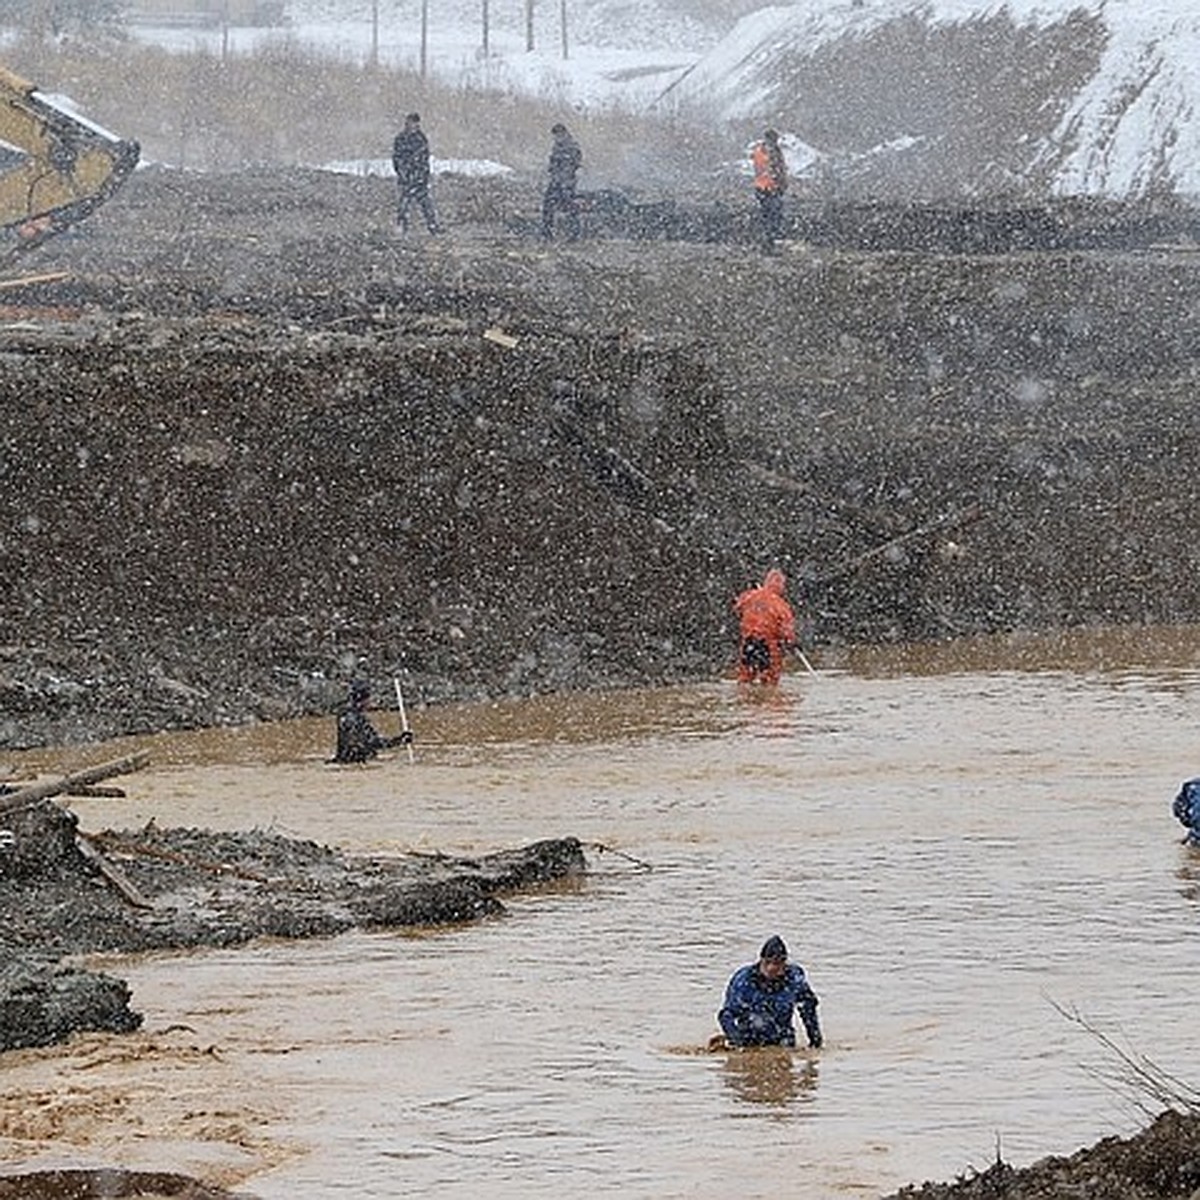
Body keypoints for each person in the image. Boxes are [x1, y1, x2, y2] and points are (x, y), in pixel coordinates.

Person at [717, 935, 822, 1049]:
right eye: (767, 962)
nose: (771, 968)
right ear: (761, 960)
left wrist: (815, 1041)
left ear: (784, 963)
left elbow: (808, 1008)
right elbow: (726, 1015)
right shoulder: (743, 981)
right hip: (749, 1040)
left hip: (784, 1041)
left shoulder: (794, 979)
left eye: (777, 963)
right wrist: (736, 1041)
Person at [734, 567, 796, 685]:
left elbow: (738, 607)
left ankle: (744, 701)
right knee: (770, 682)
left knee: (745, 679)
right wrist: (792, 642)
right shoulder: (781, 605)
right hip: (768, 646)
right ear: (782, 586)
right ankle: (766, 702)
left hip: (749, 642)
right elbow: (786, 630)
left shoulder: (749, 596)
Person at [331, 680, 413, 764]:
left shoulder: (347, 714)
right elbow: (373, 742)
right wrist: (399, 740)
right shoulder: (353, 718)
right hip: (352, 764)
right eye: (368, 698)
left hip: (348, 762)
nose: (370, 701)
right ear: (362, 699)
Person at [392, 112, 441, 235]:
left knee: (426, 205)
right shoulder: (400, 138)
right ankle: (402, 229)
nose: (414, 125)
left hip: (420, 179)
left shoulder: (421, 138)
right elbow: (397, 159)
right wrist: (403, 173)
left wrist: (423, 175)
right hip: (406, 178)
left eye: (415, 122)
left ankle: (433, 227)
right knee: (404, 206)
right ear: (407, 123)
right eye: (411, 122)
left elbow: (424, 159)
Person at [541, 122, 582, 242]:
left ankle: (574, 235)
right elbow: (554, 164)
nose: (555, 138)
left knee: (570, 208)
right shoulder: (558, 146)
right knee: (548, 207)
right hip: (557, 182)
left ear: (563, 133)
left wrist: (564, 182)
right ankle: (547, 234)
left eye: (557, 135)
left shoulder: (571, 146)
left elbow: (572, 166)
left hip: (566, 183)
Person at [750, 127, 788, 251]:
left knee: (767, 217)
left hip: (761, 188)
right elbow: (777, 170)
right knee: (773, 217)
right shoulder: (771, 152)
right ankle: (770, 244)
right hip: (770, 189)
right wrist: (781, 186)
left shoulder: (758, 151)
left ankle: (767, 243)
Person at [1173, 778, 1200, 846]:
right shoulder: (1191, 785)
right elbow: (1178, 807)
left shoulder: (1191, 785)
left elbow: (1177, 807)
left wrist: (1187, 822)